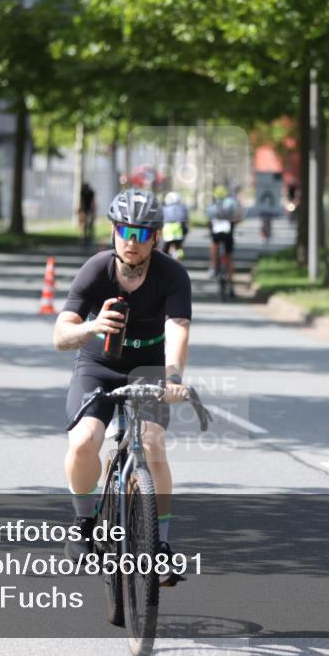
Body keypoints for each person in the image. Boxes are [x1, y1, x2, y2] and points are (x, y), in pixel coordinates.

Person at [53, 189, 192, 585]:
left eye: (142, 233)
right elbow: (60, 335)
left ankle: (160, 545)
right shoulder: (97, 270)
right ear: (114, 232)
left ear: (156, 237)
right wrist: (92, 327)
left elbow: (177, 328)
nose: (132, 241)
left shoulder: (172, 275)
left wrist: (173, 377)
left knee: (152, 443)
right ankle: (83, 523)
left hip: (149, 367)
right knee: (84, 441)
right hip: (97, 366)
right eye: (125, 231)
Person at [206, 185, 241, 293]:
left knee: (213, 244)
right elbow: (237, 218)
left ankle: (213, 267)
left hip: (216, 235)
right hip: (228, 235)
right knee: (229, 258)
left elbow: (208, 221)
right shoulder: (231, 204)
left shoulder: (211, 207)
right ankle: (231, 284)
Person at [161, 191, 189, 259]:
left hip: (167, 232)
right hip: (179, 231)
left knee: (165, 249)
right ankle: (177, 261)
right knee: (178, 248)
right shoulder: (183, 208)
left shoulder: (164, 208)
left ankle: (165, 261)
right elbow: (185, 220)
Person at [77, 182, 96, 247]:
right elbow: (81, 201)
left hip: (89, 210)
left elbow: (92, 202)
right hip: (84, 210)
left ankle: (88, 238)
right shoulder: (82, 192)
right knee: (84, 225)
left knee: (89, 224)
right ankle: (84, 238)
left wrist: (93, 210)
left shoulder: (91, 193)